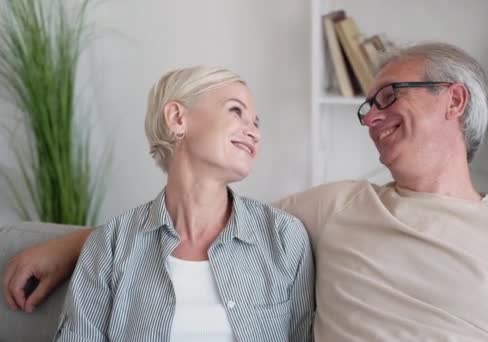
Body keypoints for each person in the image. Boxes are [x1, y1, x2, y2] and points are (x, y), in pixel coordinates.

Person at [4, 42, 488, 341]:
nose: (371, 116)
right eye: (367, 108)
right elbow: (200, 222)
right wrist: (74, 245)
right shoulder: (336, 207)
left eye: (389, 97)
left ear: (454, 100)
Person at [16, 65, 315, 341]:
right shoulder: (110, 245)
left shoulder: (284, 238)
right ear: (177, 118)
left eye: (256, 123)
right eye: (236, 111)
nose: (254, 131)